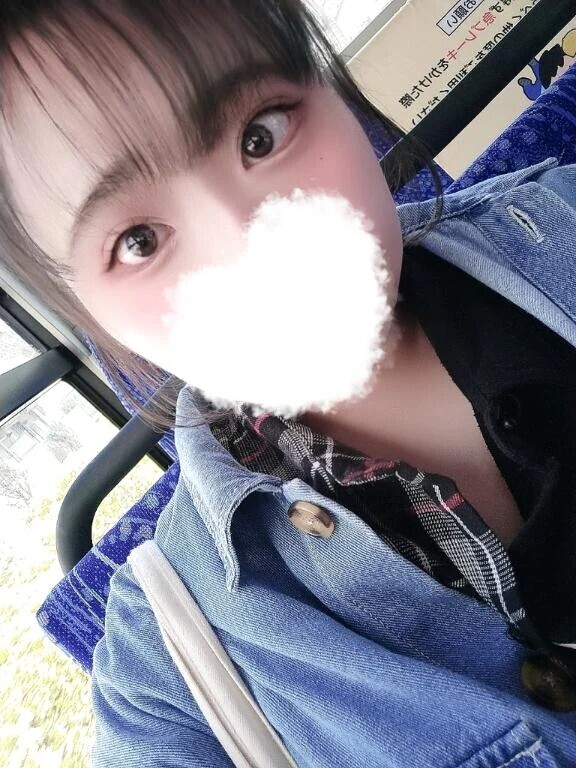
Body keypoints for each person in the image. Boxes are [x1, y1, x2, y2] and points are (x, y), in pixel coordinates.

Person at [0, 1, 575, 766]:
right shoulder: (169, 677)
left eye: (260, 135)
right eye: (137, 242)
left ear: (335, 96)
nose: (247, 246)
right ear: (90, 317)